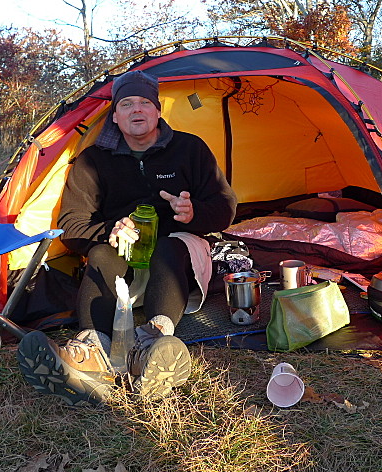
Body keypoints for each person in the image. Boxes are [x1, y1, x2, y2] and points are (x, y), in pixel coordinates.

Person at [16, 69, 237, 405]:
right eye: (128, 103)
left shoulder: (189, 149)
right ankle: (92, 354)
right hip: (122, 252)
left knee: (169, 246)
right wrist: (110, 230)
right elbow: (72, 224)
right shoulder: (93, 161)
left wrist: (194, 214)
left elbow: (224, 207)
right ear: (115, 116)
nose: (137, 110)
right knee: (102, 255)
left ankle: (153, 345)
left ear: (158, 111)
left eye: (145, 103)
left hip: (178, 249)